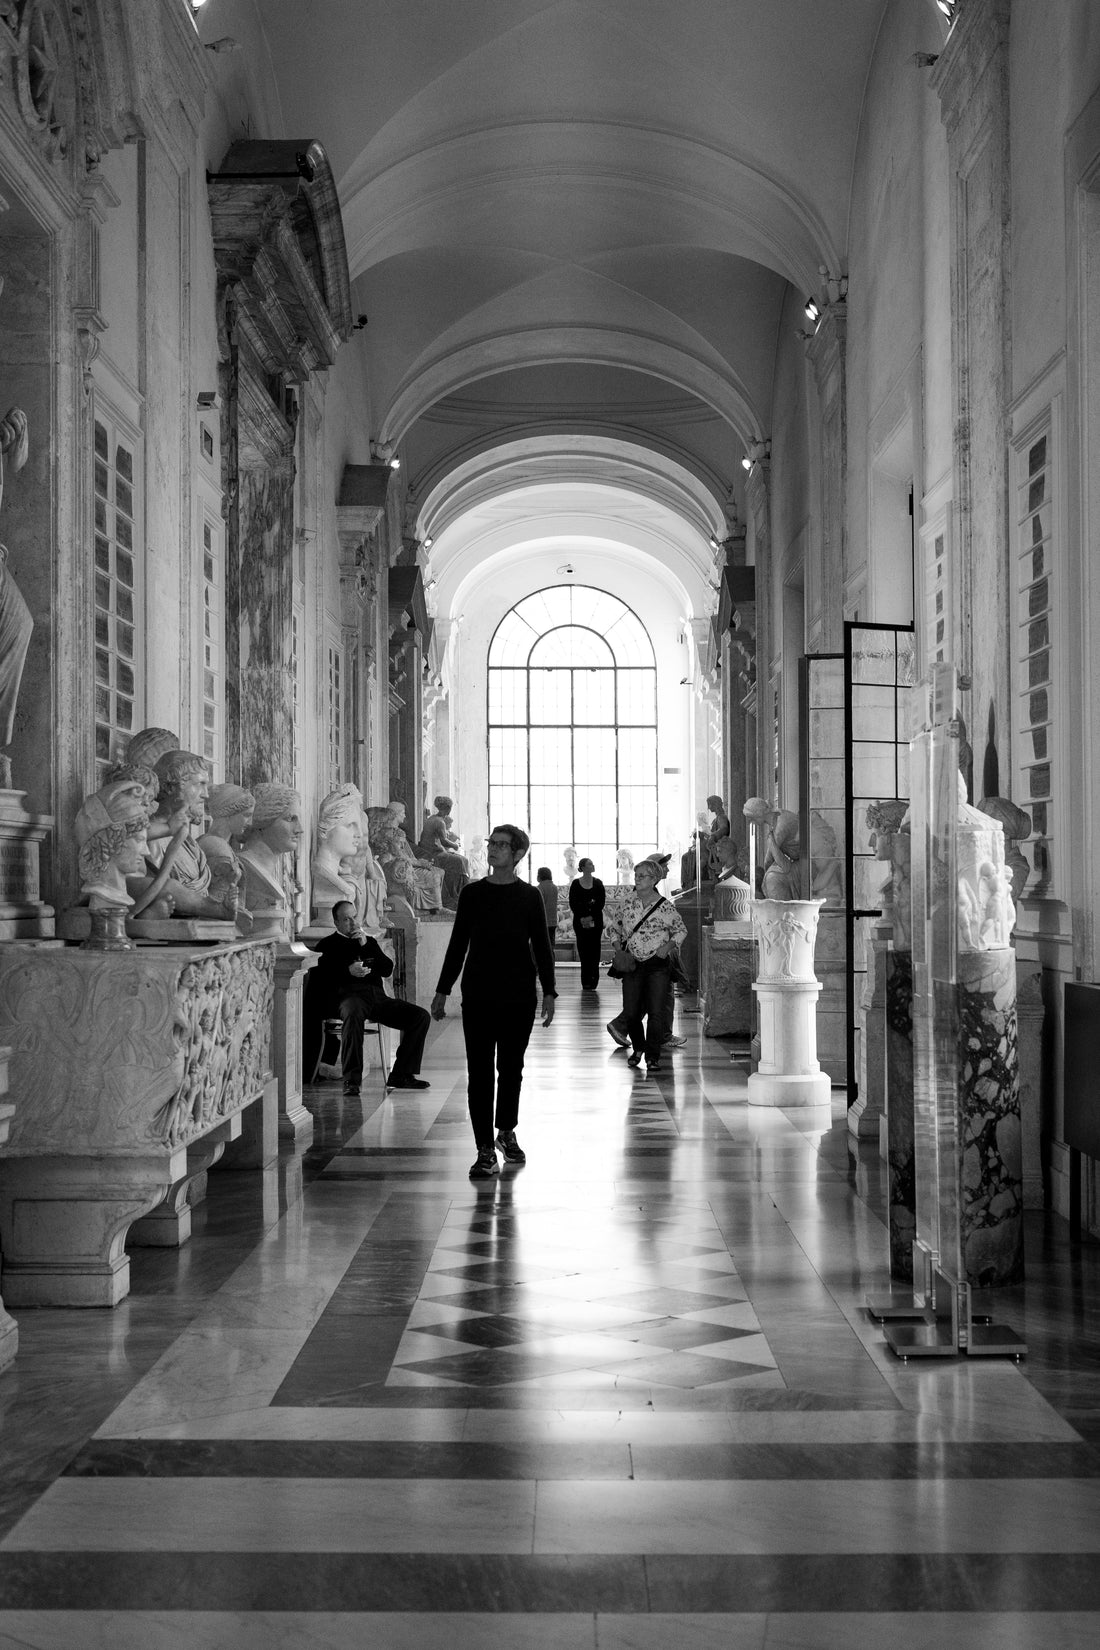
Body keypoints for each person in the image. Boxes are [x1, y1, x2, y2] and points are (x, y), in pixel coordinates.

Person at [431, 824, 556, 1179]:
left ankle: (505, 1131)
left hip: (518, 994)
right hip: (480, 993)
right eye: (492, 844)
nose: (494, 849)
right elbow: (458, 945)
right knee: (480, 1072)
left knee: (511, 1069)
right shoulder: (473, 894)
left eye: (502, 845)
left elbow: (542, 948)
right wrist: (442, 990)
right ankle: (484, 1147)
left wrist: (549, 990)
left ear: (517, 854)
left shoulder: (529, 897)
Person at [309, 900, 431, 1095]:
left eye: (354, 917)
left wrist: (366, 945)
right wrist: (347, 971)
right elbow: (320, 980)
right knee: (353, 1012)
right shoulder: (327, 945)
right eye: (346, 919)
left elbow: (387, 969)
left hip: (377, 998)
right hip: (347, 998)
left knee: (420, 1016)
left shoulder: (369, 942)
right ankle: (351, 1081)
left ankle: (401, 1074)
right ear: (336, 922)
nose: (353, 923)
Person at [604, 856, 686, 1073]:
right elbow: (614, 928)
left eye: (642, 877)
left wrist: (667, 948)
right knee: (631, 1012)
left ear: (653, 880)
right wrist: (618, 948)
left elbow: (681, 931)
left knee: (656, 1012)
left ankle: (652, 1056)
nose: (637, 880)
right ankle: (638, 1048)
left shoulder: (665, 907)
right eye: (636, 876)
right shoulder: (627, 902)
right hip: (633, 964)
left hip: (657, 965)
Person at [568, 855, 605, 990]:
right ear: (583, 868)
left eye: (592, 863)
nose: (592, 865)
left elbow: (601, 902)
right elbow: (573, 902)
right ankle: (586, 981)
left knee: (595, 950)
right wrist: (583, 916)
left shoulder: (598, 883)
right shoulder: (576, 884)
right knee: (583, 951)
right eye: (589, 864)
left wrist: (590, 916)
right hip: (580, 921)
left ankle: (594, 980)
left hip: (596, 921)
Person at [536, 865, 559, 950]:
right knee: (551, 946)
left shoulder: (540, 888)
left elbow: (538, 906)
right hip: (553, 922)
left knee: (541, 947)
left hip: (543, 922)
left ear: (540, 876)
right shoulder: (554, 887)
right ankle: (551, 962)